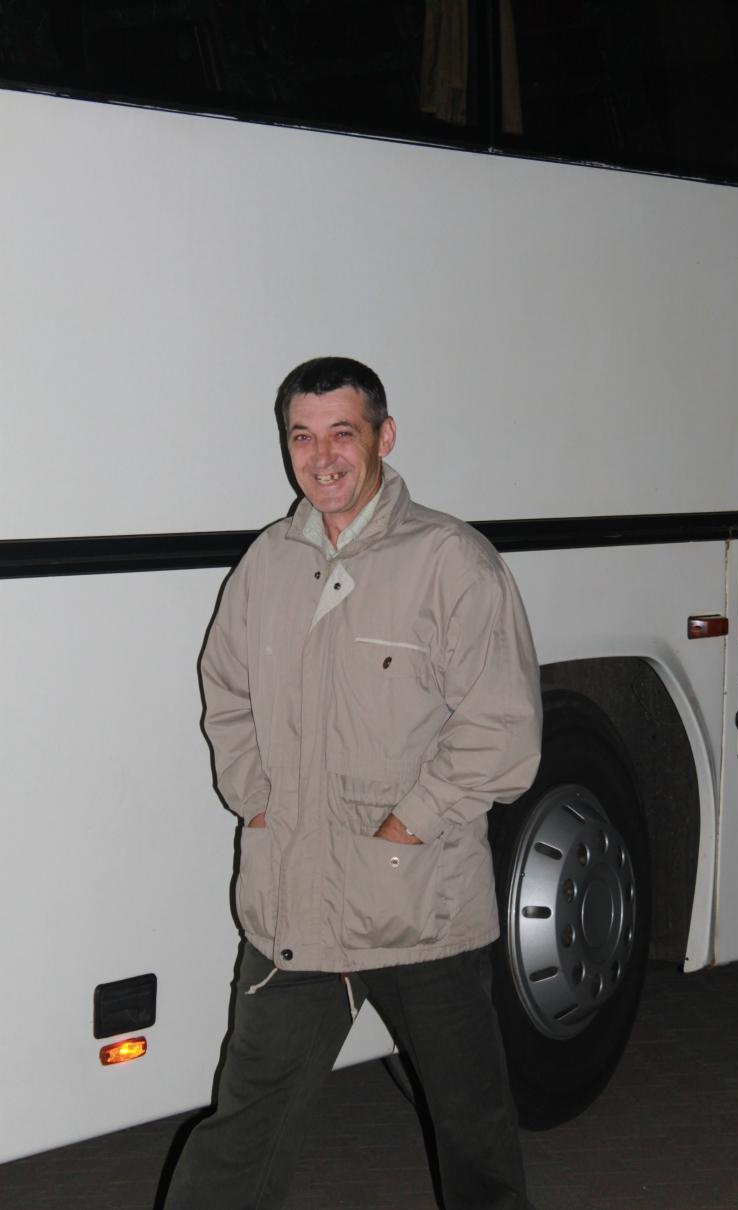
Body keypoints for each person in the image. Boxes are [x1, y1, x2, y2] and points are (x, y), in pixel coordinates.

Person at [163, 357, 542, 1210]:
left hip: (420, 909)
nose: (321, 456)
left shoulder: (451, 561)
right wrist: (257, 802)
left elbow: (503, 729)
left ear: (384, 436)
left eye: (342, 433)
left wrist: (410, 824)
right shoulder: (267, 563)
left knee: (475, 1137)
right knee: (241, 1137)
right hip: (294, 907)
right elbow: (226, 694)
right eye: (302, 436)